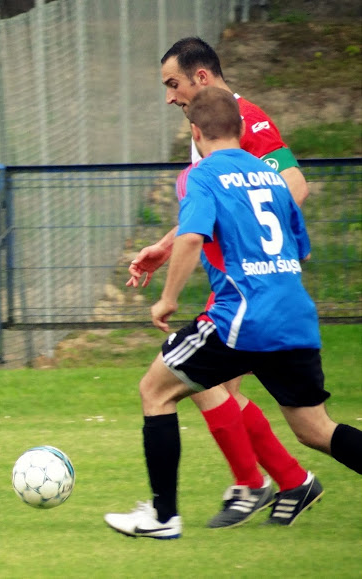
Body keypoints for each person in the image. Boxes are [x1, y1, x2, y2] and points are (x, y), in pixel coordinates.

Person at [105, 87, 362, 540]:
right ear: (242, 130)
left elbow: (191, 237)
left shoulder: (202, 176)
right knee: (316, 430)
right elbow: (299, 249)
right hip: (295, 317)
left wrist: (167, 300)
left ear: (196, 132)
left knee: (156, 391)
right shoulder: (271, 178)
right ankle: (265, 481)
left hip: (242, 316)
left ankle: (163, 518)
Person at [126, 37, 314, 529]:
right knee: (214, 387)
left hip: (249, 281)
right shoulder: (209, 124)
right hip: (250, 280)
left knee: (190, 381)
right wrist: (166, 244)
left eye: (173, 84)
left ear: (202, 77)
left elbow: (294, 185)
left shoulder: (244, 117)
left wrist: (256, 252)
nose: (169, 96)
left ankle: (256, 482)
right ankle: (281, 480)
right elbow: (214, 205)